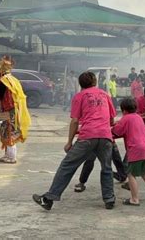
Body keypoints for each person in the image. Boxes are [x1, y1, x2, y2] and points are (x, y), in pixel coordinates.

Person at [33, 71, 116, 210]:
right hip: (105, 136)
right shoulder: (105, 95)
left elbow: (75, 121)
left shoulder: (80, 96)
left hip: (87, 136)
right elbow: (112, 119)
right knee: (106, 168)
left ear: (80, 83)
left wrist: (69, 142)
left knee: (67, 165)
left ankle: (49, 198)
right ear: (95, 81)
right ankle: (109, 199)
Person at [112, 97, 145, 206]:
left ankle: (134, 199)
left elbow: (117, 131)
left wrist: (110, 129)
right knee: (143, 171)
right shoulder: (138, 117)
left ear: (124, 110)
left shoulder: (126, 118)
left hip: (135, 149)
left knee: (130, 174)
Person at [0, 56, 31, 164]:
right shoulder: (14, 79)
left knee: (8, 131)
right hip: (14, 110)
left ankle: (11, 157)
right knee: (7, 130)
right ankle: (7, 155)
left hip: (7, 110)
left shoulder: (4, 81)